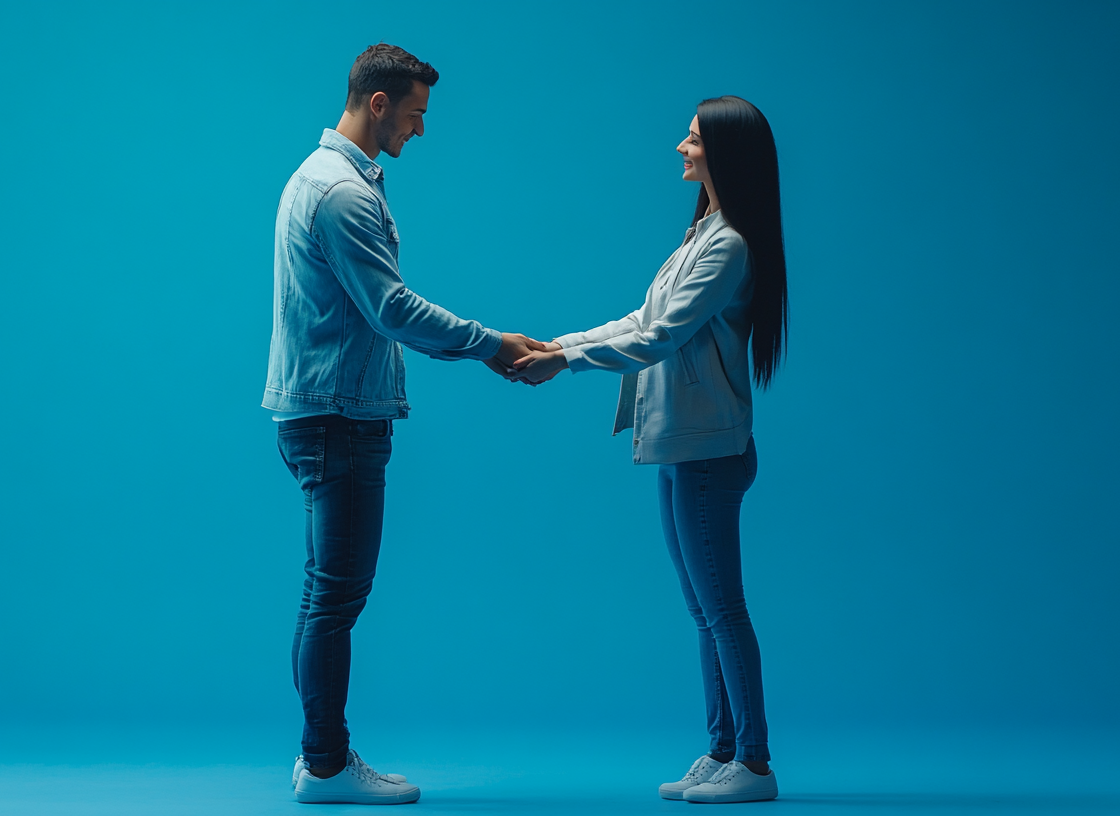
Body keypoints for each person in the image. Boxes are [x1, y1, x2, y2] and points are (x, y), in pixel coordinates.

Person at [263, 43, 544, 805]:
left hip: (325, 413)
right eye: (416, 114)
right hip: (339, 419)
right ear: (379, 103)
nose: (422, 130)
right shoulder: (341, 194)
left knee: (327, 596)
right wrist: (491, 345)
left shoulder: (322, 180)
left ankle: (319, 758)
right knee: (335, 600)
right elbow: (391, 307)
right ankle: (323, 765)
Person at [511, 95, 789, 805]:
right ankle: (721, 748)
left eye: (692, 139)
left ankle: (754, 764)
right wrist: (560, 344)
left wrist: (564, 364)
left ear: (723, 152)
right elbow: (645, 317)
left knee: (724, 608)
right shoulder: (702, 232)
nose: (680, 147)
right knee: (704, 610)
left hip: (707, 452)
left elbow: (660, 339)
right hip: (679, 446)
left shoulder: (729, 244)